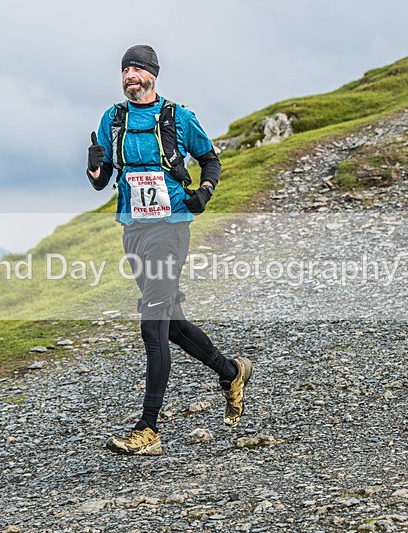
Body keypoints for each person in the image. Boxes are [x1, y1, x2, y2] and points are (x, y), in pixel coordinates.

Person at [87, 44, 253, 456]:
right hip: (133, 228)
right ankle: (232, 372)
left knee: (152, 323)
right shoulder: (114, 118)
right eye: (124, 71)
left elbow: (210, 160)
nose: (129, 77)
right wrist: (94, 168)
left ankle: (149, 429)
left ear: (152, 75)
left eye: (137, 70)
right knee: (172, 326)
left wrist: (205, 194)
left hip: (171, 226)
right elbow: (102, 177)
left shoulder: (178, 117)